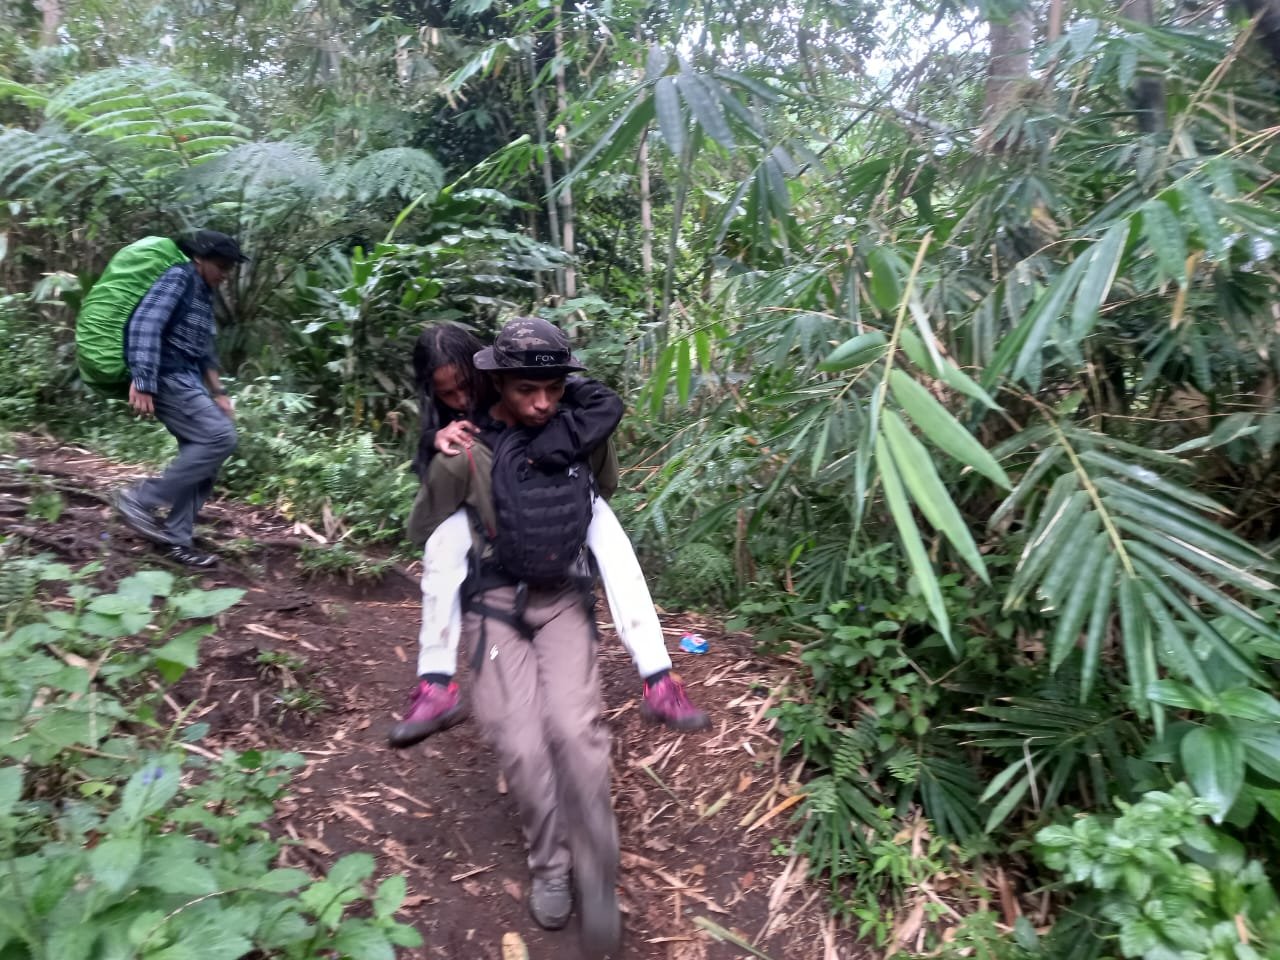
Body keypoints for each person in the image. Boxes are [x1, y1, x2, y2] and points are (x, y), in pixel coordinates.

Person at [407, 318, 628, 956]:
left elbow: (603, 492)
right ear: (498, 382)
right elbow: (424, 526)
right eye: (528, 390)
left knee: (576, 733)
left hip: (562, 594)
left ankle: (597, 876)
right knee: (521, 742)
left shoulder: (579, 430)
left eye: (553, 390)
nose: (542, 404)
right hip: (494, 599)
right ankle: (549, 865)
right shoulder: (466, 443)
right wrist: (448, 465)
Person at [389, 325, 709, 749]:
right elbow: (432, 496)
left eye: (465, 386)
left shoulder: (533, 383)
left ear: (485, 373)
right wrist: (435, 438)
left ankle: (659, 677)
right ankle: (436, 682)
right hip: (487, 506)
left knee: (615, 548)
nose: (461, 400)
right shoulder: (457, 421)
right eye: (447, 394)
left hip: (564, 491)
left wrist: (560, 448)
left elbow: (604, 406)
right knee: (441, 547)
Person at [113, 230, 248, 568]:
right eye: (221, 265)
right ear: (200, 258)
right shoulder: (179, 277)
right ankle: (139, 498)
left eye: (229, 267)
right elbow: (145, 324)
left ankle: (177, 541)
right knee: (220, 437)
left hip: (187, 379)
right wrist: (143, 380)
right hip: (167, 375)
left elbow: (205, 350)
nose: (225, 274)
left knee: (204, 459)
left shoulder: (203, 293)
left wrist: (219, 393)